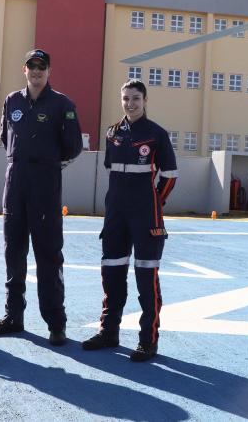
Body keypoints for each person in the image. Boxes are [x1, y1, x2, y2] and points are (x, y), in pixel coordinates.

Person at [0, 49, 83, 345]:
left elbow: (73, 145)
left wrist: (47, 163)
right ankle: (13, 316)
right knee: (13, 253)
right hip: (15, 181)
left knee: (48, 256)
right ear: (24, 69)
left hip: (45, 183)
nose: (36, 71)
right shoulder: (12, 100)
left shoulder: (62, 104)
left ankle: (56, 323)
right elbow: (6, 138)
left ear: (49, 70)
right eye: (32, 66)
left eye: (42, 66)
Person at [82, 79, 178, 362]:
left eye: (135, 98)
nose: (130, 103)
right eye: (125, 98)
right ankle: (109, 332)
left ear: (145, 100)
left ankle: (147, 341)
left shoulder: (156, 134)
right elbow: (112, 173)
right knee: (111, 273)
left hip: (146, 217)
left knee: (145, 278)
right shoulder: (112, 133)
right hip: (115, 216)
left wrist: (153, 203)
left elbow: (170, 176)